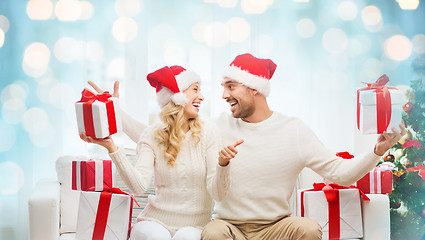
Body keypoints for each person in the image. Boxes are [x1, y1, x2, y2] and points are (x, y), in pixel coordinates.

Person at [91, 53, 406, 240]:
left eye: (231, 86)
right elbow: (158, 136)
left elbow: (343, 174)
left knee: (308, 228)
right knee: (211, 234)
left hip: (276, 226)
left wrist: (376, 151)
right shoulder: (217, 126)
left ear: (255, 89)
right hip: (228, 227)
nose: (224, 94)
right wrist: (115, 115)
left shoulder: (293, 130)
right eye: (223, 87)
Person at [81, 65, 243, 240]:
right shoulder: (152, 135)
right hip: (154, 221)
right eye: (195, 89)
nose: (202, 97)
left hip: (194, 226)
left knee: (186, 237)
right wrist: (113, 148)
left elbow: (218, 194)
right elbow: (138, 186)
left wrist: (223, 165)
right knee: (154, 235)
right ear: (177, 96)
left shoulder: (208, 133)